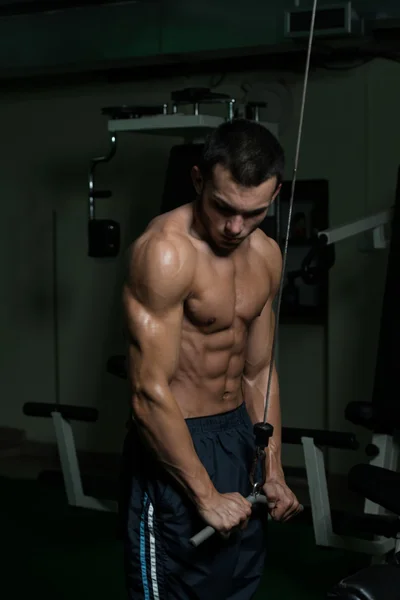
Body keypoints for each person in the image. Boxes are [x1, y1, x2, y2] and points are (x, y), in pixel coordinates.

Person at [120, 118, 302, 600]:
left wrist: (273, 470)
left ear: (275, 195)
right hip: (177, 439)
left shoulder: (266, 254)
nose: (235, 227)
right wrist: (203, 493)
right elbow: (147, 393)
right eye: (223, 207)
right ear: (199, 179)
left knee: (235, 583)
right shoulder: (166, 254)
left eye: (253, 213)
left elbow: (259, 370)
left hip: (239, 435)